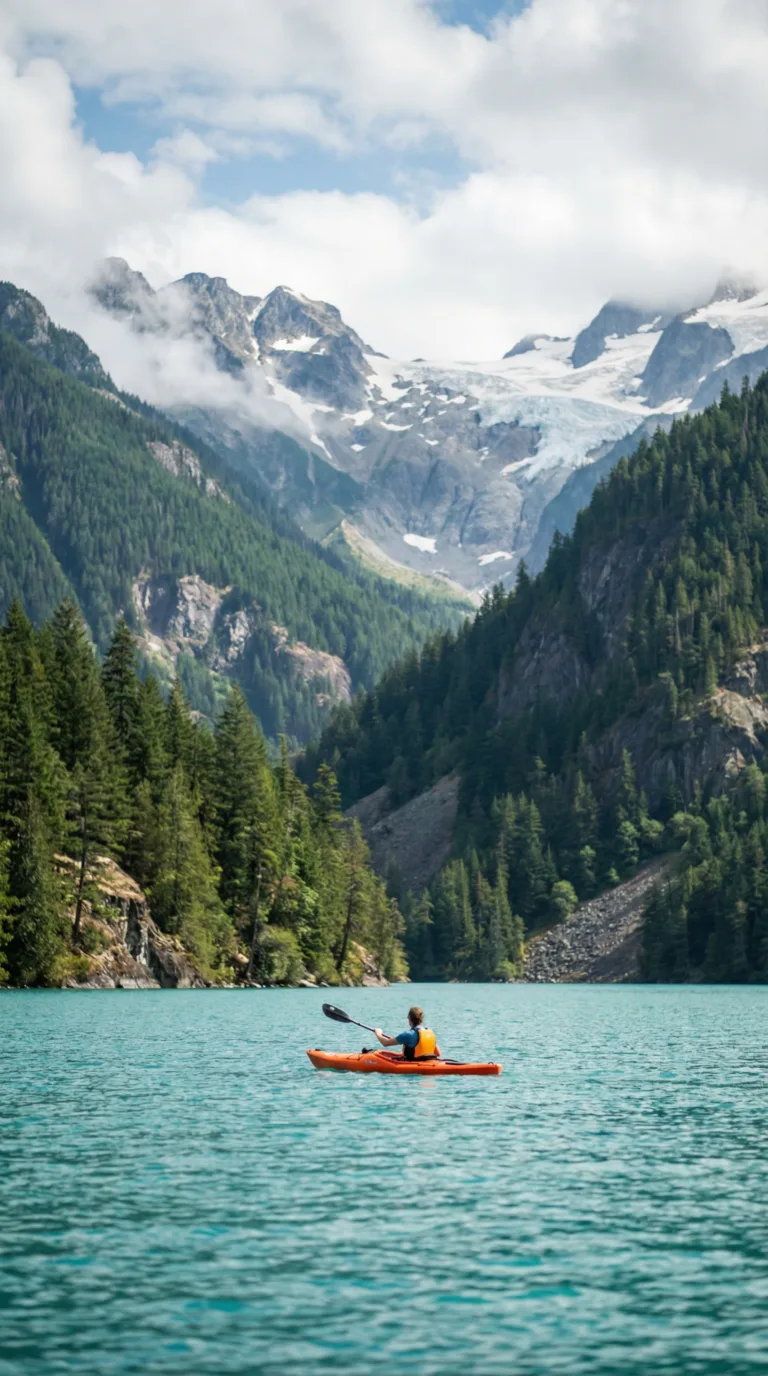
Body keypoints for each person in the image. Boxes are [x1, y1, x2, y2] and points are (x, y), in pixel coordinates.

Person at [374, 1006, 441, 1061]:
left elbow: (385, 1043)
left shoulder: (408, 1035)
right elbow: (438, 1053)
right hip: (429, 1063)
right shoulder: (430, 1033)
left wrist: (378, 1033)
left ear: (409, 1018)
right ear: (421, 1019)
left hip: (414, 1063)